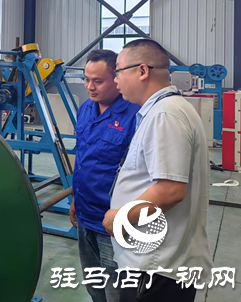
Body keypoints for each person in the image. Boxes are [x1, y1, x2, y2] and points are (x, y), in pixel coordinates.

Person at [103, 39, 212, 302]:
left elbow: (170, 190)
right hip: (157, 264)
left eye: (118, 71)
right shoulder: (164, 110)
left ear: (142, 71)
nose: (115, 79)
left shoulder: (166, 114)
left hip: (155, 268)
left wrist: (120, 218)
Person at [71, 49, 140, 302]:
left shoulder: (135, 115)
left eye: (98, 81)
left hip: (114, 221)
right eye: (86, 79)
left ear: (117, 78)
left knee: (117, 291)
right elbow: (83, 156)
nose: (90, 87)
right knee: (94, 285)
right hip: (85, 215)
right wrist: (75, 199)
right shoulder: (85, 109)